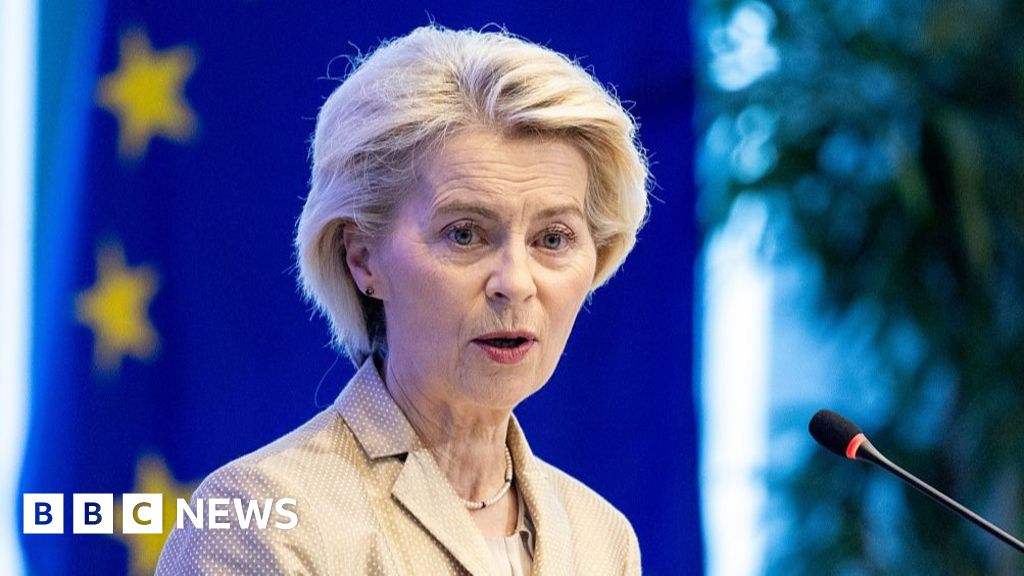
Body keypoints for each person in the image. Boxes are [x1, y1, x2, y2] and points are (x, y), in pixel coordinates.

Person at [156, 24, 648, 575]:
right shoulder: (258, 518)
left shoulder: (602, 539)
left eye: (553, 239)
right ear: (363, 259)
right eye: (465, 233)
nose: (515, 282)